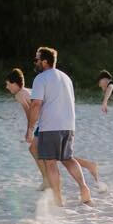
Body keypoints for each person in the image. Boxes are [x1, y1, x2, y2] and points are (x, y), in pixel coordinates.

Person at [5, 68, 104, 191]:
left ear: (15, 83)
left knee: (42, 151)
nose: (7, 87)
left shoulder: (20, 94)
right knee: (59, 155)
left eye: (8, 84)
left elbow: (30, 113)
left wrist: (29, 131)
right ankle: (88, 165)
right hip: (53, 119)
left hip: (47, 122)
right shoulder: (25, 91)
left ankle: (47, 179)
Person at [26, 47, 92, 207]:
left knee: (50, 162)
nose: (35, 62)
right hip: (69, 125)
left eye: (37, 59)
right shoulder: (66, 77)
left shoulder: (41, 78)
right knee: (68, 159)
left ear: (45, 61)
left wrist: (30, 128)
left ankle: (58, 199)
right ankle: (84, 190)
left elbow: (35, 105)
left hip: (50, 126)